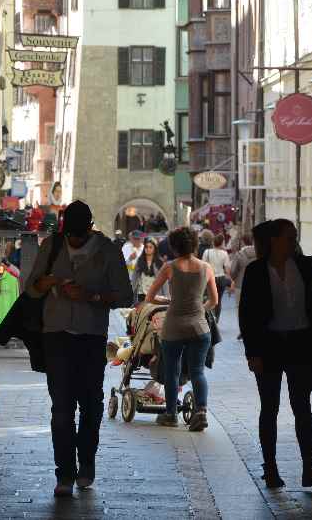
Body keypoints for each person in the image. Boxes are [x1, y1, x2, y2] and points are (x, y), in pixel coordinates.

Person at [23, 200, 133, 496]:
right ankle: (65, 474)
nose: (73, 240)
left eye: (78, 235)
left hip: (90, 337)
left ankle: (86, 464)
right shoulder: (52, 246)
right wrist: (48, 283)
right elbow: (30, 287)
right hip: (55, 336)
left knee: (91, 405)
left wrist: (90, 296)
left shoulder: (108, 251)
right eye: (69, 234)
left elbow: (125, 296)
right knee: (61, 408)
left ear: (90, 228)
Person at [238, 219, 312, 490]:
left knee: (302, 407)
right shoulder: (256, 271)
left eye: (294, 235)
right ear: (274, 240)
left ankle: (309, 466)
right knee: (269, 408)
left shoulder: (306, 266)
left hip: (300, 345)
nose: (294, 240)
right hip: (269, 345)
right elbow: (246, 315)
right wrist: (252, 352)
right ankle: (270, 469)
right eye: (289, 236)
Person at [144, 227, 219, 431]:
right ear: (194, 244)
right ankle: (201, 411)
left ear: (174, 246)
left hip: (174, 327)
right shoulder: (206, 268)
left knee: (172, 371)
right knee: (197, 372)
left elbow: (150, 297)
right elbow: (214, 300)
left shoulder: (169, 267)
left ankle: (171, 414)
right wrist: (198, 309)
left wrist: (168, 300)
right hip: (199, 327)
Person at [201, 234, 231, 322]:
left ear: (213, 242)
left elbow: (203, 266)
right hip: (221, 279)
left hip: (210, 278)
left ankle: (209, 318)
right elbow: (227, 268)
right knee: (218, 300)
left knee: (209, 299)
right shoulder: (224, 253)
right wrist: (230, 281)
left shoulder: (207, 252)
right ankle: (216, 319)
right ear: (222, 243)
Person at [228, 233, 256, 311]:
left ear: (243, 242)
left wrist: (234, 279)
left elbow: (232, 272)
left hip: (240, 286)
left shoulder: (239, 255)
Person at [132, 238, 163, 305]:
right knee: (141, 314)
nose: (148, 249)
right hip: (141, 294)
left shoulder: (159, 262)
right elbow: (134, 277)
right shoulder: (140, 261)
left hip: (155, 295)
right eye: (146, 247)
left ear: (154, 249)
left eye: (150, 247)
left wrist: (166, 296)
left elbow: (164, 281)